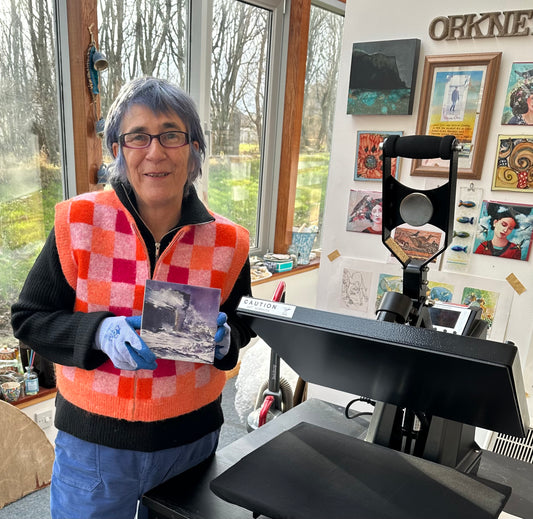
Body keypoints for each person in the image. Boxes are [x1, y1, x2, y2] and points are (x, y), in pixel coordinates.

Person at [11, 77, 255, 519]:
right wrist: (99, 333)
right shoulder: (80, 223)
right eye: (137, 136)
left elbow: (242, 322)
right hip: (95, 448)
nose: (155, 151)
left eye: (172, 134)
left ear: (194, 148)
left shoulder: (228, 241)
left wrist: (225, 342)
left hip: (190, 443)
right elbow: (29, 319)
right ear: (116, 150)